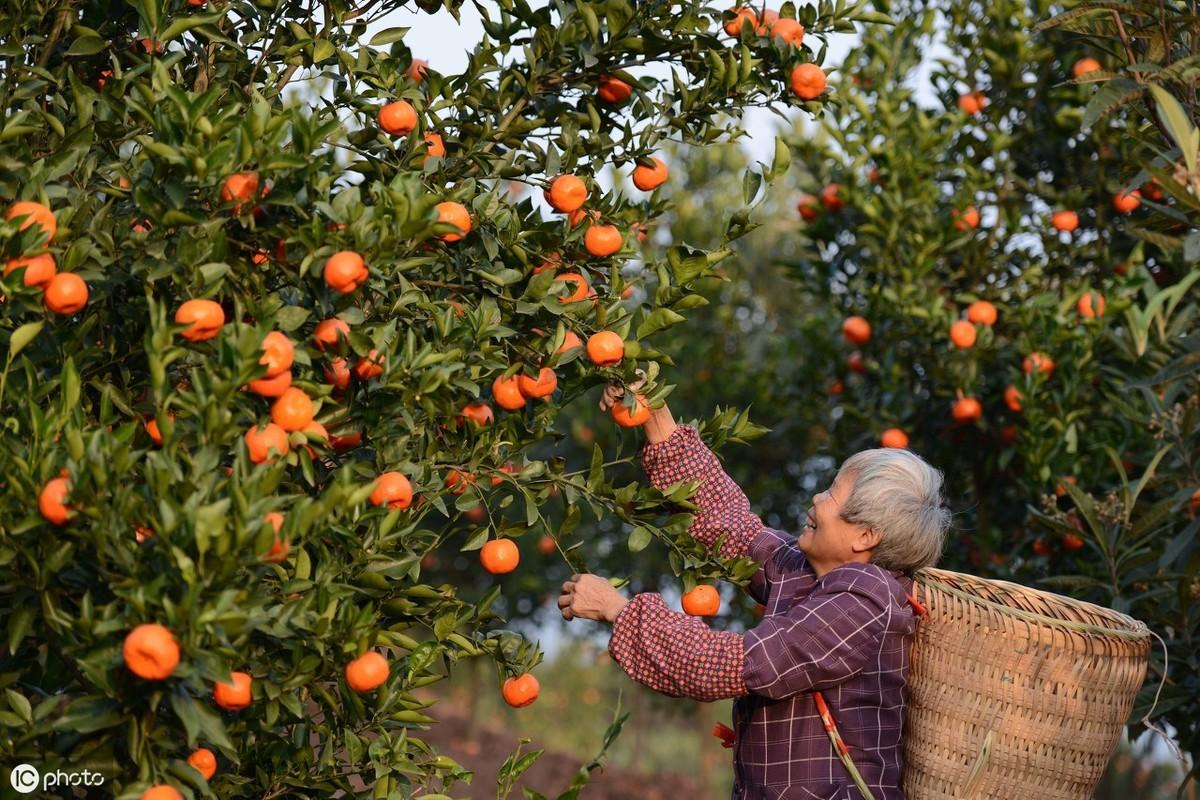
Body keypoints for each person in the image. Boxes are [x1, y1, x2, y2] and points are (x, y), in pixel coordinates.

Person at [558, 390, 950, 800]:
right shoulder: (808, 570)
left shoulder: (863, 604)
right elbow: (731, 528)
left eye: (832, 495)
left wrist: (617, 610)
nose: (817, 499)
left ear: (865, 536)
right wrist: (654, 416)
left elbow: (730, 664)